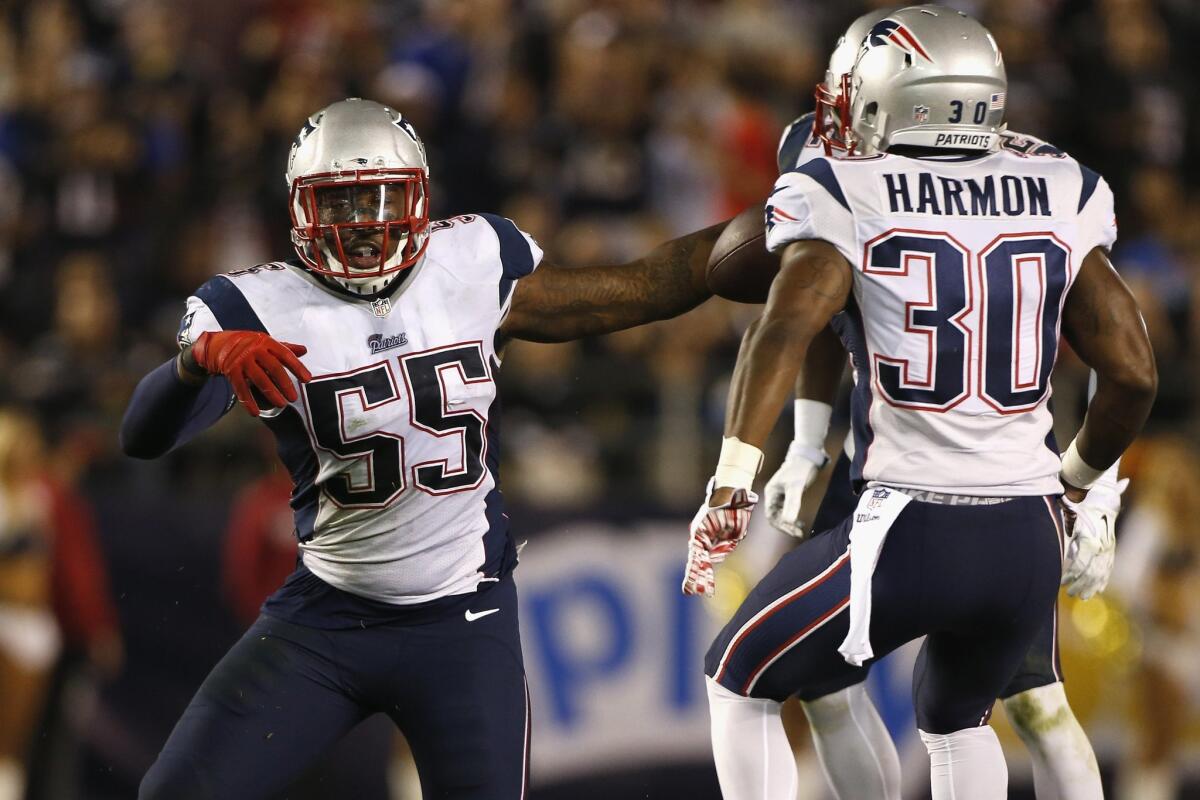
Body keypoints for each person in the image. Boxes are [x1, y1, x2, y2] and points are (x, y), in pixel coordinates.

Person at [119, 97, 726, 800]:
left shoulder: (471, 262)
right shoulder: (252, 308)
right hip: (326, 618)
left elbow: (643, 287)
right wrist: (195, 363)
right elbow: (142, 438)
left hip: (462, 622)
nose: (363, 226)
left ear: (420, 197)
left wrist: (773, 230)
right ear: (300, 209)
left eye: (379, 199)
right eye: (339, 204)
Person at [684, 7, 1157, 800]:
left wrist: (733, 477)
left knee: (739, 677)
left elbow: (787, 329)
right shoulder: (1058, 181)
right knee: (959, 719)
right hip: (1027, 531)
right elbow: (1136, 373)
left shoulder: (845, 185)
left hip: (914, 526)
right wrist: (1080, 486)